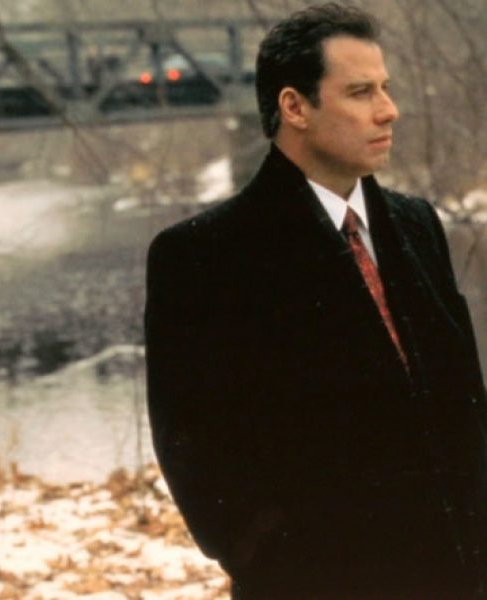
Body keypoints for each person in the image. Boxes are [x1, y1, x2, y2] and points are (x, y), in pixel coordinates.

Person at [144, 3, 487, 598]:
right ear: (294, 107)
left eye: (385, 88)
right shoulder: (203, 255)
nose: (388, 109)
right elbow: (195, 454)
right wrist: (270, 559)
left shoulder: (417, 224)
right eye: (360, 92)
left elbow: (464, 403)